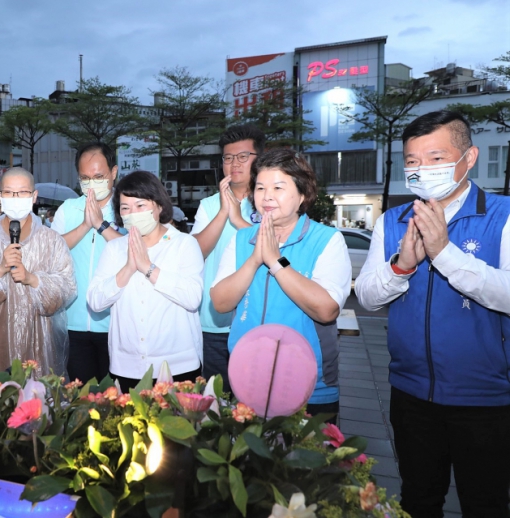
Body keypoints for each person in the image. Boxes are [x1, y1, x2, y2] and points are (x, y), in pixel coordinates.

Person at [355, 110, 510, 518]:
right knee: (418, 501)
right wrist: (401, 266)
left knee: (486, 504)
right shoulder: (392, 220)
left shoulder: (502, 215)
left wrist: (444, 253)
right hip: (410, 393)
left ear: (469, 157)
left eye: (436, 158)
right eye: (412, 161)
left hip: (486, 398)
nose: (422, 170)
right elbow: (367, 297)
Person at [211, 148, 351, 422]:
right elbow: (220, 302)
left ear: (302, 195)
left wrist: (276, 261)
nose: (267, 196)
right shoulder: (241, 240)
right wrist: (254, 260)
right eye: (260, 187)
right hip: (248, 379)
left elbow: (326, 310)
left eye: (278, 187)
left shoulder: (327, 240)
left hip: (308, 384)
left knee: (308, 463)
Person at [87, 171, 204, 389]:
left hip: (177, 367)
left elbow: (192, 297)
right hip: (126, 368)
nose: (133, 213)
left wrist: (147, 268)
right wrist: (129, 268)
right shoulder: (115, 248)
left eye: (140, 206)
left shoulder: (184, 244)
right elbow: (95, 301)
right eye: (125, 208)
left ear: (158, 206)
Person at [0, 168, 75, 377]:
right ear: (1, 197)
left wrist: (33, 280)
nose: (16, 198)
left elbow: (66, 289)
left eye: (22, 192)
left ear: (34, 196)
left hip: (37, 338)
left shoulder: (51, 240)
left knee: (35, 402)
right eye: (10, 193)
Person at [191, 125, 263, 385]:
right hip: (213, 325)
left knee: (254, 403)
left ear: (258, 161)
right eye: (228, 158)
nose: (234, 164)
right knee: (214, 405)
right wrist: (223, 212)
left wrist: (239, 217)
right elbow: (195, 252)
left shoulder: (271, 202)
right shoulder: (209, 205)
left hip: (257, 321)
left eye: (243, 157)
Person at [52, 143, 123, 383]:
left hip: (119, 324)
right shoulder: (68, 209)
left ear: (113, 172)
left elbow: (137, 251)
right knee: (80, 400)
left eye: (99, 177)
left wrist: (101, 225)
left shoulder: (128, 208)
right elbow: (51, 251)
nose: (92, 184)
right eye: (85, 178)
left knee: (118, 401)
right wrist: (86, 224)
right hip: (73, 323)